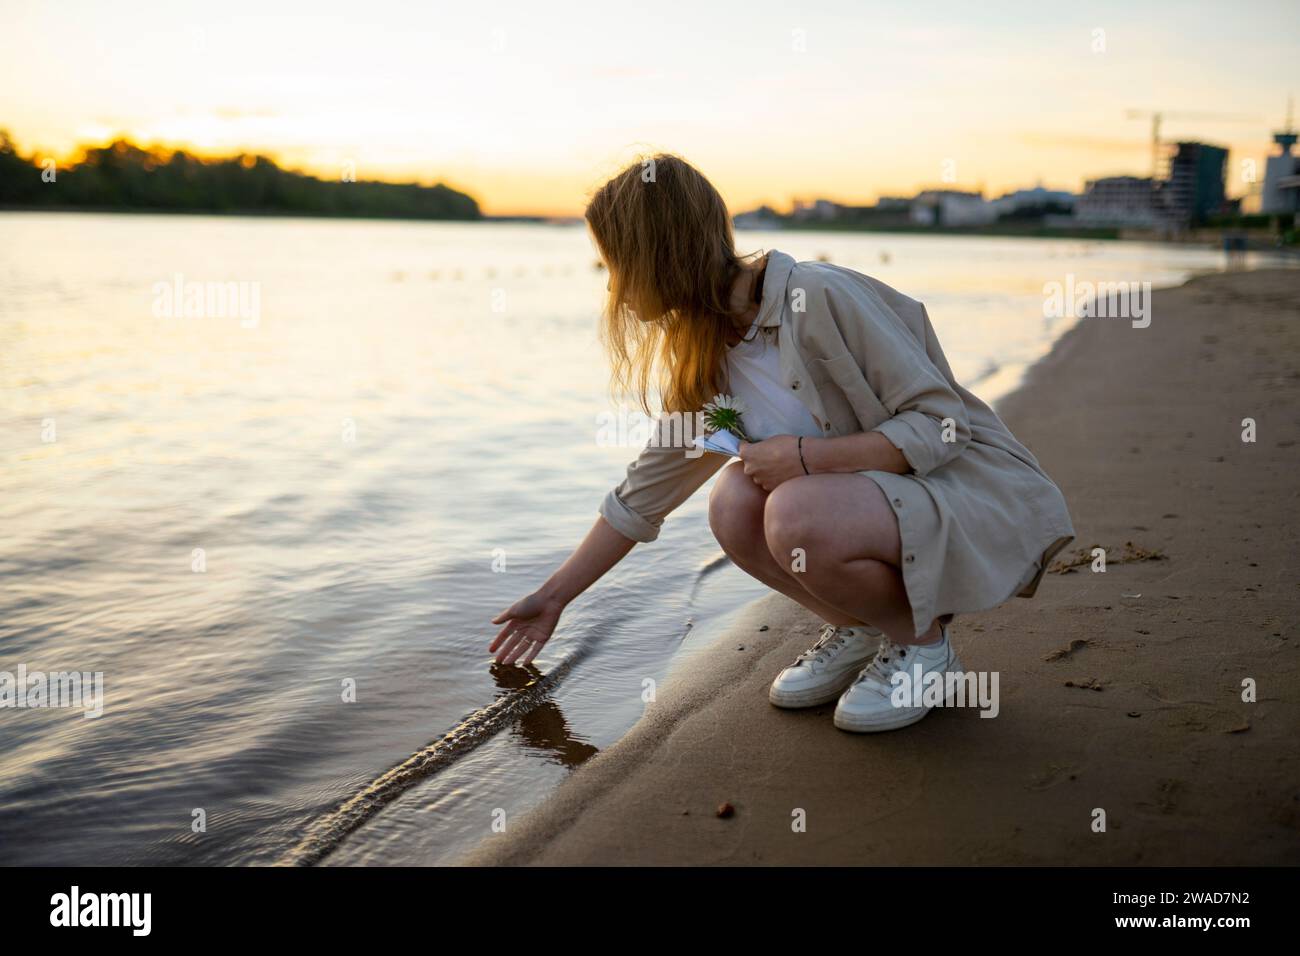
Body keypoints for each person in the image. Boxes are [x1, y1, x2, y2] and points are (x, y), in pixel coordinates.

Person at [489, 154, 1074, 732]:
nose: (612, 283)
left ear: (656, 255)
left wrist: (805, 458)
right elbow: (644, 495)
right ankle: (860, 628)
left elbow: (942, 424)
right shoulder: (703, 353)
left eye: (615, 263)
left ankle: (922, 648)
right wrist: (554, 597)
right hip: (871, 510)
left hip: (956, 494)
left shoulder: (817, 296)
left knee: (792, 507)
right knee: (733, 501)